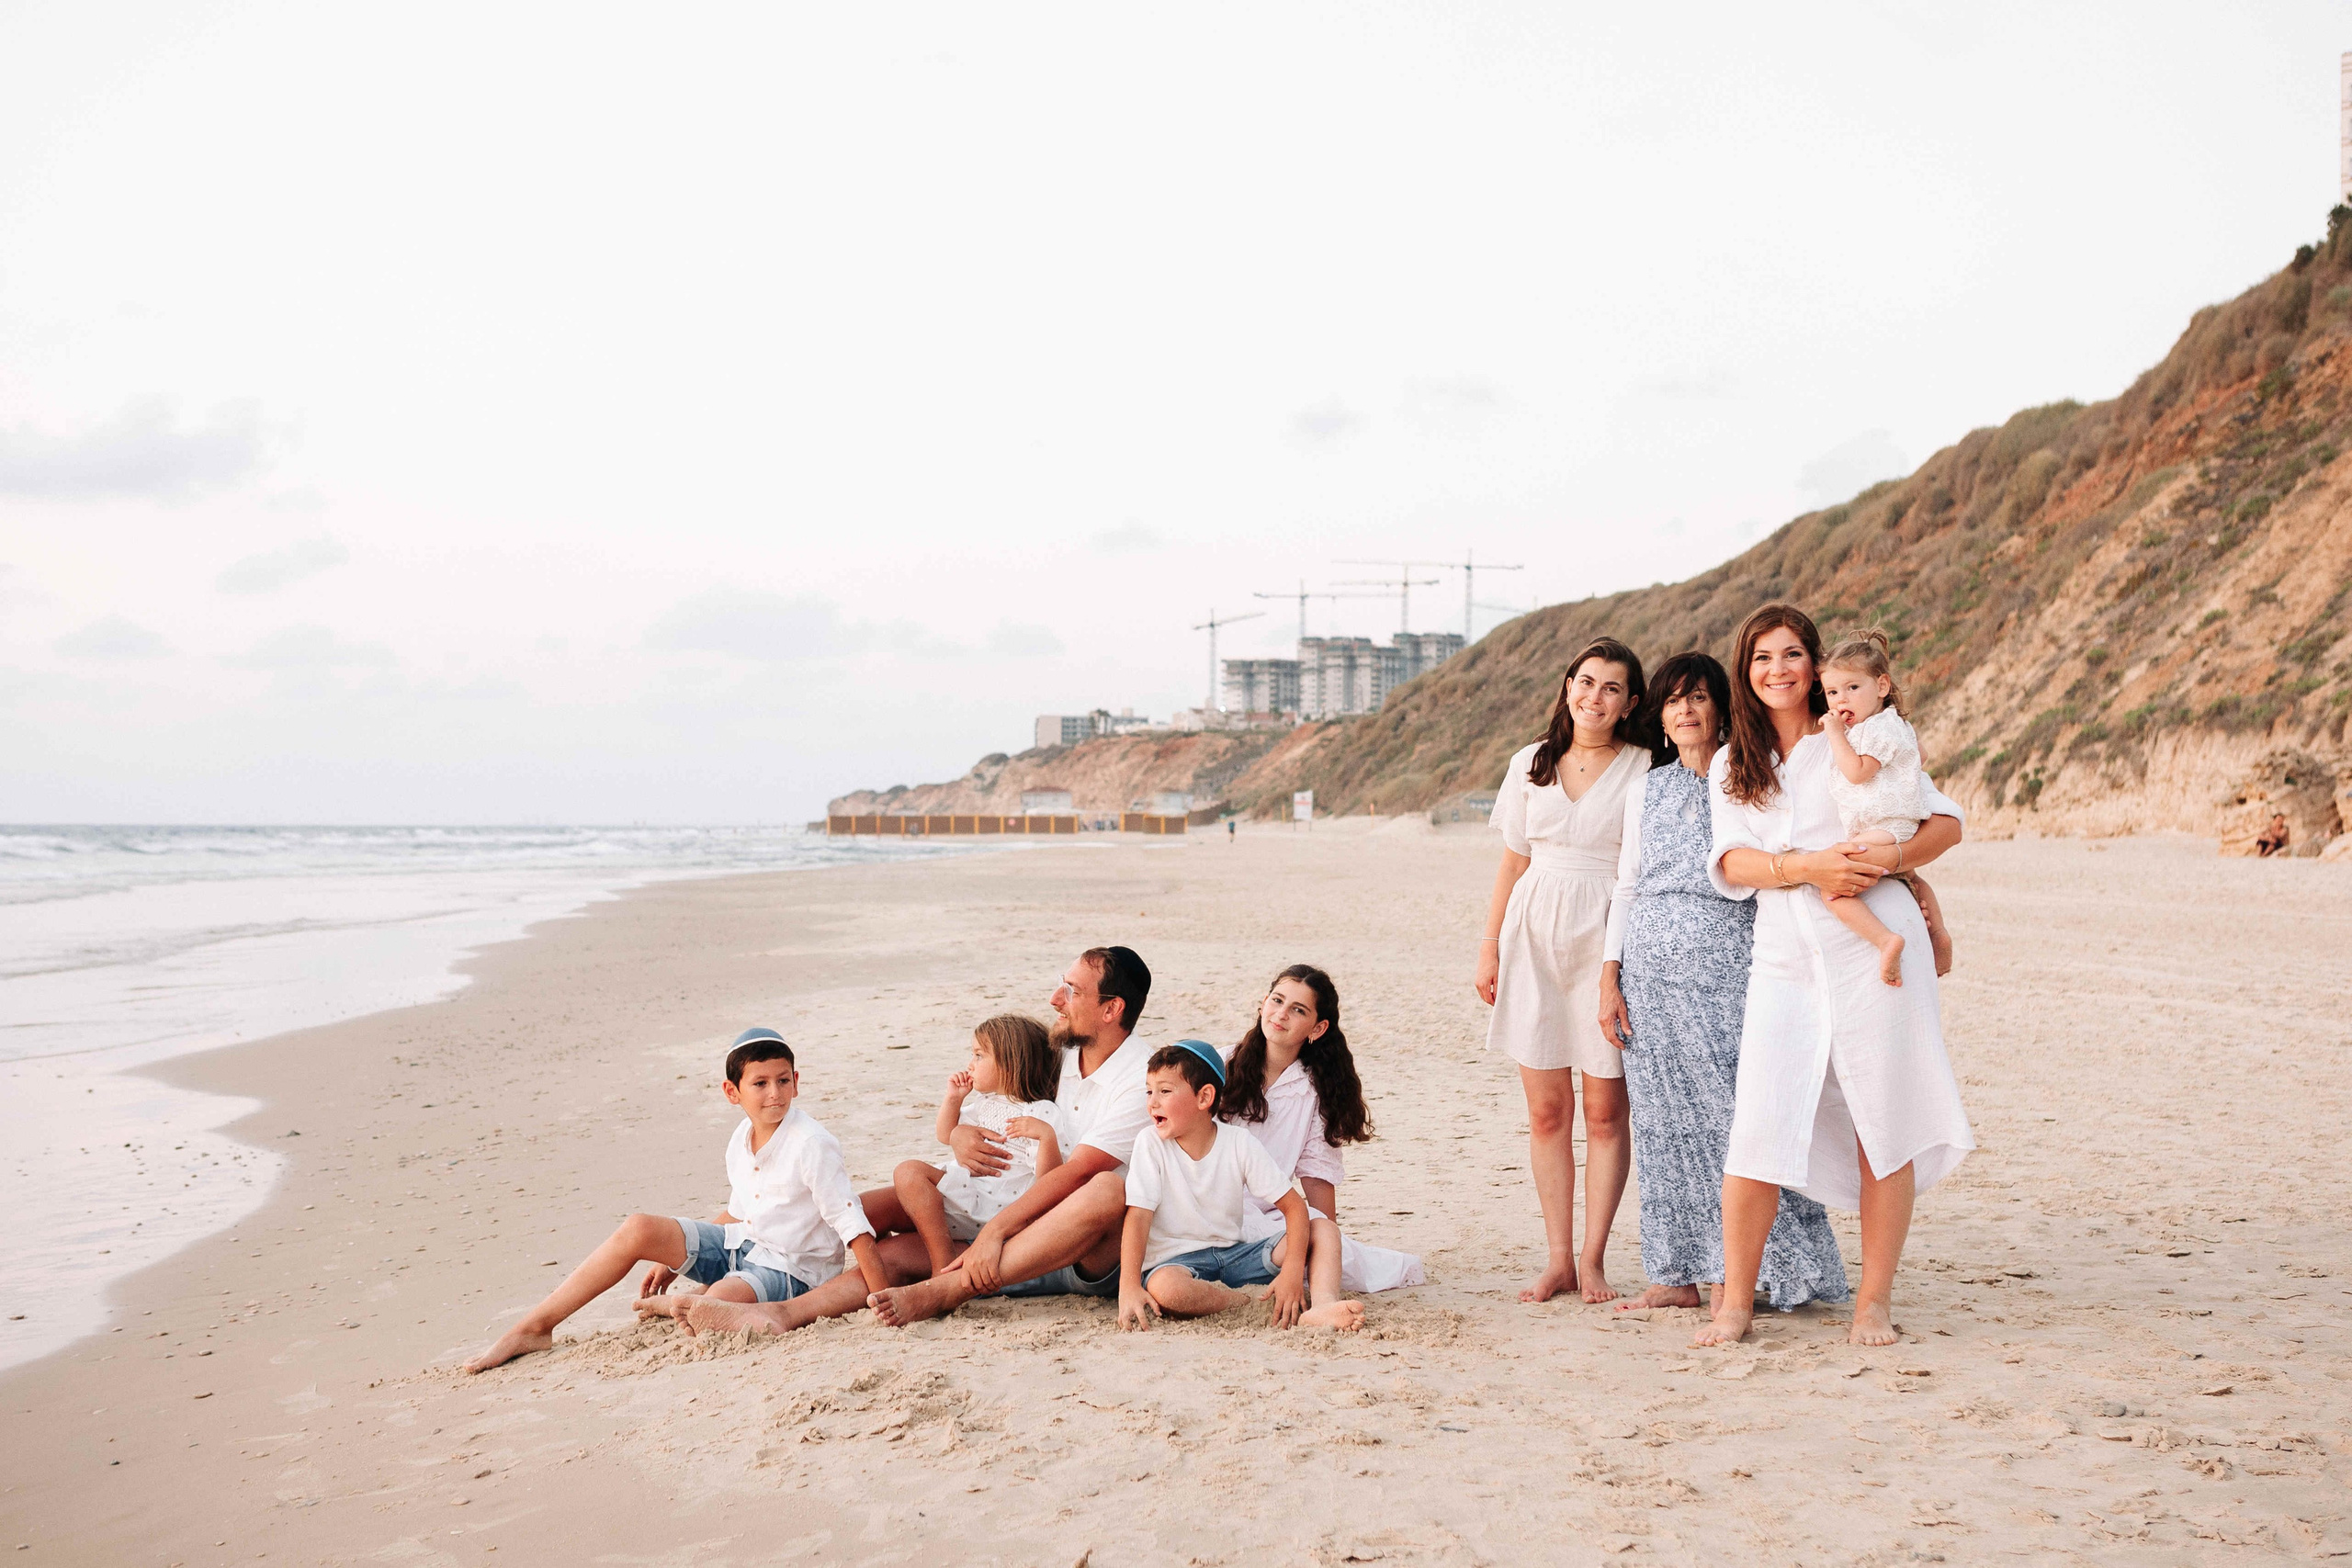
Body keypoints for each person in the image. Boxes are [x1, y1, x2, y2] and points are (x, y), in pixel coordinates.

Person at [1697, 604, 1976, 1349]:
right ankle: (1734, 1307)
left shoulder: (1856, 736)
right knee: (1757, 1124)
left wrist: (1882, 862)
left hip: (1875, 952)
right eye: (1762, 657)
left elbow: (1943, 823)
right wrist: (1809, 867)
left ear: (1817, 668)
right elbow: (1731, 863)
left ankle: (1873, 1303)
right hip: (1784, 959)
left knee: (1884, 1119)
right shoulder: (1732, 762)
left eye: (1793, 655)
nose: (1778, 669)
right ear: (1744, 670)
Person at [1597, 654, 1849, 1316]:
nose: (1685, 711)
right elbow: (1627, 884)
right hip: (1648, 973)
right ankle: (1675, 1270)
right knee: (1662, 1123)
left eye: (1698, 698)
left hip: (1729, 965)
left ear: (1719, 706)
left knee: (1736, 1117)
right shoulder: (1644, 788)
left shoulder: (1747, 773)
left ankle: (1743, 1270)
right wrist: (1609, 973)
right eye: (1674, 700)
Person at [463, 1029, 887, 1369]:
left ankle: (690, 1302)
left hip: (792, 1269)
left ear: (797, 1082)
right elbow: (738, 1213)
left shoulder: (812, 1143)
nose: (774, 1093)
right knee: (639, 1228)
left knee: (719, 1299)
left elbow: (853, 1225)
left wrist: (885, 1297)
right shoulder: (741, 1139)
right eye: (760, 1083)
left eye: (782, 1081)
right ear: (732, 1091)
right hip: (743, 1244)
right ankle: (535, 1327)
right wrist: (673, 1257)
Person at [1476, 637, 1650, 1304]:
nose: (1594, 696)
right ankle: (1558, 1259)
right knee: (1548, 1112)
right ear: (1567, 685)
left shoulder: (1643, 766)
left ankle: (1594, 1257)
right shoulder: (1531, 763)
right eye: (1585, 681)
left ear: (1631, 701)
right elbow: (1512, 862)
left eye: (1611, 687)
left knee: (1606, 1110)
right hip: (1534, 934)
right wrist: (1489, 944)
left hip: (1609, 935)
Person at [867, 946, 1157, 1325]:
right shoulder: (1066, 1051)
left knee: (1106, 1189)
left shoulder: (1140, 1079)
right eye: (1061, 985)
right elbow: (1007, 1085)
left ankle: (948, 1289)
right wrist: (958, 1134)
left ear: (1111, 1009)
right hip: (1010, 1208)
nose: (1056, 1000)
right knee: (876, 1231)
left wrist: (995, 1232)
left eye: (1072, 991)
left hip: (1077, 1242)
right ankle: (783, 1306)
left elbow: (1079, 1174)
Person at [1223, 965, 1420, 1324]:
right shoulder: (1221, 1063)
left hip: (1268, 1216)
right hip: (1208, 1205)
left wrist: (1323, 1237)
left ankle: (1324, 1305)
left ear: (1318, 1028)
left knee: (1330, 1237)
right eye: (1277, 1000)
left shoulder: (1315, 1091)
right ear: (1262, 1003)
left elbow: (1317, 1174)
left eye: (1298, 1009)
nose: (1281, 1013)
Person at [1116, 1040, 1323, 1329]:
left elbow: (1294, 1207)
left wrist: (1290, 1273)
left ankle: (1325, 1303)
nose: (1152, 1102)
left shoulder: (1239, 1142)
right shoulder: (1150, 1144)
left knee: (1323, 1229)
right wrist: (1128, 1285)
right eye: (1149, 1091)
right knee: (1169, 1292)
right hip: (1176, 1262)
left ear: (1204, 1098)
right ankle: (1243, 1302)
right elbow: (1138, 1216)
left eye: (1164, 1091)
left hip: (1235, 1256)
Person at [892, 1014, 1069, 1278]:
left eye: (978, 1056)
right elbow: (945, 1134)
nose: (970, 1065)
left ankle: (942, 1266)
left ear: (1010, 1065)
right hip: (973, 1191)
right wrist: (953, 1099)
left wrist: (1047, 1138)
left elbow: (1049, 1181)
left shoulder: (1042, 1112)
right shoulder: (987, 1102)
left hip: (991, 1204)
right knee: (897, 1190)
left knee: (909, 1172)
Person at [1815, 630, 1947, 987]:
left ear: (1882, 686)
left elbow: (1857, 773)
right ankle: (1940, 937)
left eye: (1852, 688)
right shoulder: (1891, 726)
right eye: (1832, 692)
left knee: (1833, 887)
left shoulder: (1873, 729)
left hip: (1888, 824)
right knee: (1912, 878)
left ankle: (1885, 940)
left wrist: (1834, 734)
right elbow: (1920, 756)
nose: (1842, 699)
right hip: (1894, 821)